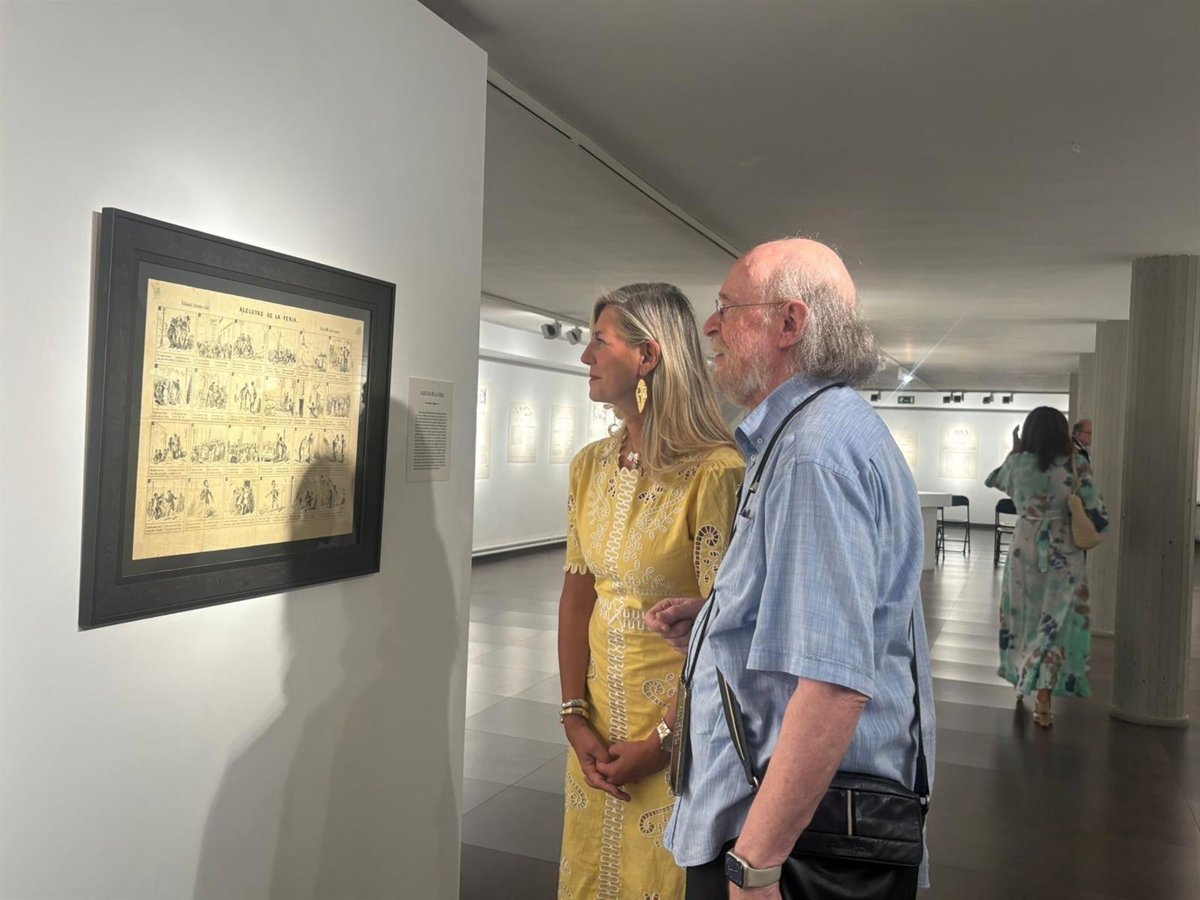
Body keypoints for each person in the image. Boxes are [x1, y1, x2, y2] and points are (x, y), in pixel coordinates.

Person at [645, 238, 934, 899]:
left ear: (789, 323)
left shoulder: (812, 453)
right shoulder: (816, 433)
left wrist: (756, 864)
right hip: (812, 825)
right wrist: (721, 620)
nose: (709, 326)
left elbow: (834, 684)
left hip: (798, 843)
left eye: (726, 308)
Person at [557, 283, 745, 900]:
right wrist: (573, 715)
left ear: (647, 356)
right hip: (596, 724)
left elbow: (723, 629)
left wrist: (664, 741)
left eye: (600, 341)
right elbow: (578, 595)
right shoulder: (589, 466)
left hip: (674, 729)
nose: (586, 356)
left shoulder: (715, 472)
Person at [986, 407, 1107, 727]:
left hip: (1023, 549)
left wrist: (1015, 450)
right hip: (1063, 553)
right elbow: (1098, 512)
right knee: (1056, 621)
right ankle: (1043, 697)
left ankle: (1021, 677)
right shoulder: (1077, 464)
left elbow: (995, 480)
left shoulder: (1017, 464)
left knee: (1022, 617)